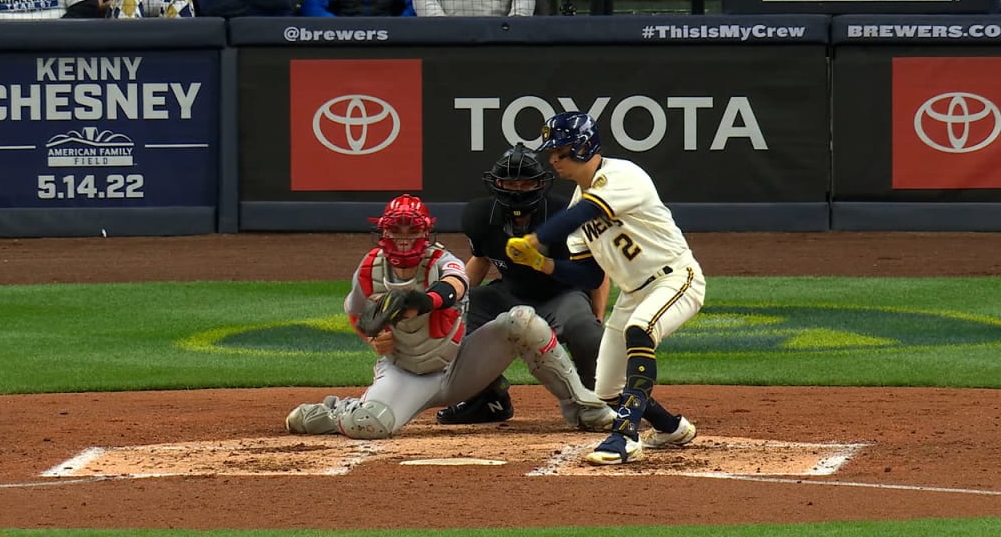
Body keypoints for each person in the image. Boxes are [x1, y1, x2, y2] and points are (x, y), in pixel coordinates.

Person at [285, 194, 614, 439]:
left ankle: (586, 408)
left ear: (425, 233)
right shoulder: (370, 269)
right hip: (406, 375)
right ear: (383, 232)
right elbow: (356, 313)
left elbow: (456, 286)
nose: (403, 237)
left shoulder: (442, 260)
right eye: (396, 230)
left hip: (461, 366)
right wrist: (373, 338)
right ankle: (335, 411)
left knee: (523, 321)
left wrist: (422, 301)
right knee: (367, 426)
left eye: (410, 230)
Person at [505, 112, 706, 466]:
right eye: (552, 152)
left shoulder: (623, 175)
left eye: (561, 152)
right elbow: (588, 276)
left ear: (583, 148)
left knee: (639, 331)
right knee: (607, 390)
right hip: (633, 293)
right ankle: (671, 427)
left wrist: (536, 239)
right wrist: (542, 263)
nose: (553, 160)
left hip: (675, 278)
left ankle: (625, 437)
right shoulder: (577, 204)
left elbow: (585, 212)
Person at [436, 144, 610, 425]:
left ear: (540, 183)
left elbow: (598, 267)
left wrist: (598, 315)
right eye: (510, 182)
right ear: (497, 183)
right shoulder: (480, 215)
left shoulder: (565, 213)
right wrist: (452, 300)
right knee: (450, 323)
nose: (517, 189)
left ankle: (602, 402)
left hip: (561, 295)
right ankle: (488, 399)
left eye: (525, 181)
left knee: (587, 331)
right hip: (509, 292)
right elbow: (480, 261)